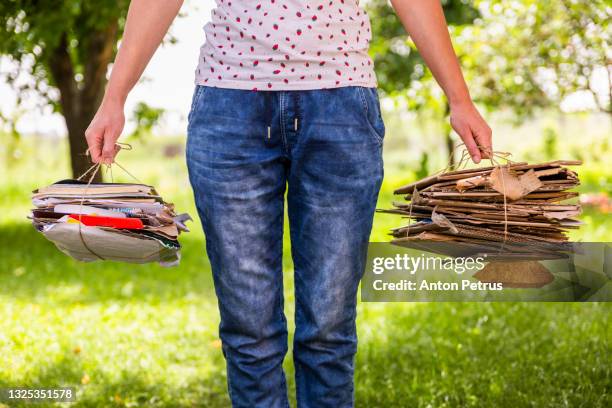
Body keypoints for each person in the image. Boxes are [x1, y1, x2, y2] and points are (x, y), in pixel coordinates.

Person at [85, 0, 492, 406]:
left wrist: (459, 98)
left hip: (341, 106)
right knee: (249, 329)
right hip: (231, 106)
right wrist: (114, 97)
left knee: (329, 328)